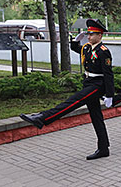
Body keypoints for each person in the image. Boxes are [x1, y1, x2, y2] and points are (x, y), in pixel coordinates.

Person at [20, 19, 114, 160]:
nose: (89, 37)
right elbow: (76, 49)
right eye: (88, 34)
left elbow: (108, 75)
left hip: (97, 85)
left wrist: (109, 95)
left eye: (92, 34)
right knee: (96, 117)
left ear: (100, 36)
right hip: (88, 82)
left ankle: (43, 118)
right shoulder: (88, 48)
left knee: (73, 101)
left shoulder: (103, 52)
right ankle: (103, 148)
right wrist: (75, 41)